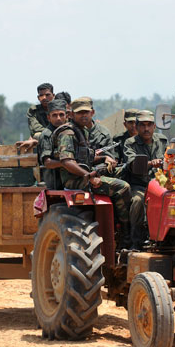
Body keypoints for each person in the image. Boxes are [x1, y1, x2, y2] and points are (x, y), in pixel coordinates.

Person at [54, 97, 132, 249]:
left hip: (86, 174)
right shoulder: (68, 133)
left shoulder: (82, 131)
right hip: (76, 180)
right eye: (79, 113)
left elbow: (86, 157)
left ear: (92, 113)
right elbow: (67, 161)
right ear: (71, 115)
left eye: (86, 112)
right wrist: (88, 176)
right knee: (123, 187)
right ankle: (125, 232)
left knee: (125, 172)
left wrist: (104, 157)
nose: (84, 116)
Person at [124, 110, 168, 250]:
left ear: (154, 126)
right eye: (142, 125)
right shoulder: (130, 143)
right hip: (140, 185)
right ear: (136, 127)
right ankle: (135, 241)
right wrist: (150, 163)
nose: (146, 128)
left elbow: (171, 158)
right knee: (137, 201)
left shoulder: (162, 140)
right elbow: (132, 163)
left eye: (149, 125)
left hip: (161, 185)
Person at [37, 99, 68, 189]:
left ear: (67, 116)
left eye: (61, 115)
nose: (58, 118)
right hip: (55, 184)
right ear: (48, 118)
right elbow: (47, 163)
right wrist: (67, 163)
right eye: (54, 115)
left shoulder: (70, 132)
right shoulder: (47, 135)